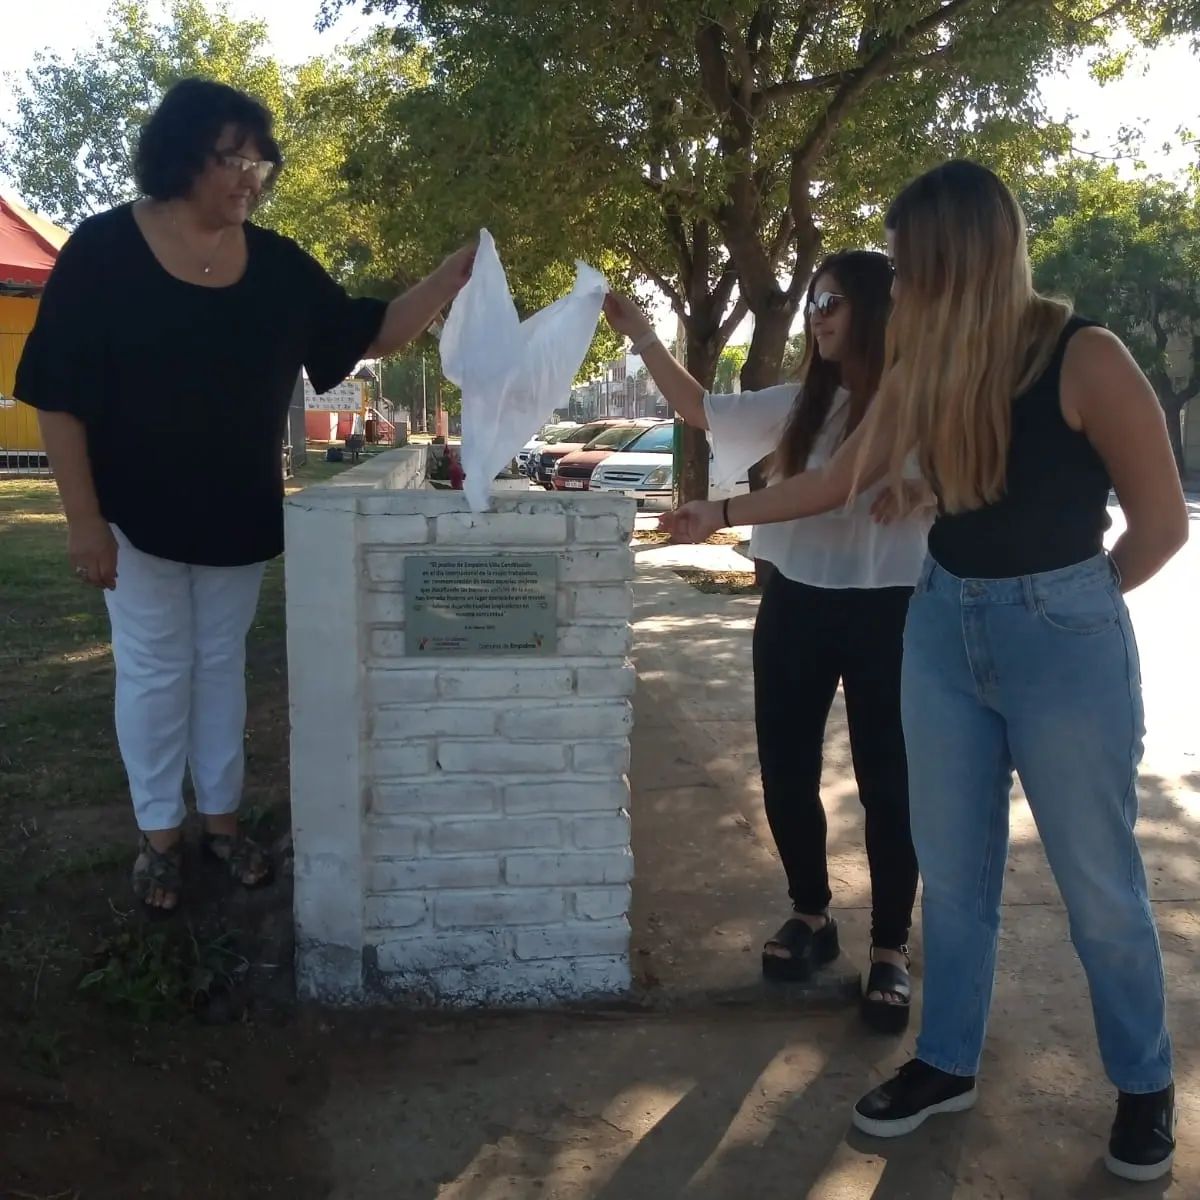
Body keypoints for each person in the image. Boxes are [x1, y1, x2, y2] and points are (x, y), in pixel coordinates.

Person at [661, 160, 1187, 1182]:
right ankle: (947, 1061)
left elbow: (1162, 525)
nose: (896, 287)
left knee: (1098, 885)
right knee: (954, 874)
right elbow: (836, 481)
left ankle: (1142, 1082)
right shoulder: (927, 370)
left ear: (959, 259)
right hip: (939, 627)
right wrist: (717, 513)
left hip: (1061, 636)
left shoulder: (1086, 358)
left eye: (907, 266)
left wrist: (1067, 612)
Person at [15, 78, 473, 913]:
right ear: (181, 154)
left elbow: (368, 331)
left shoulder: (278, 266)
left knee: (219, 667)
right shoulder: (103, 250)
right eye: (233, 160)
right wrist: (84, 521)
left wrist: (451, 275)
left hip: (237, 512)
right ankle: (160, 837)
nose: (249, 179)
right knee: (155, 671)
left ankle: (222, 826)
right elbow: (56, 395)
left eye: (260, 165)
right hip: (133, 514)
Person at [604, 250, 933, 1033]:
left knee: (890, 785)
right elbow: (698, 407)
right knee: (787, 772)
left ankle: (890, 946)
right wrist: (642, 332)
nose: (818, 317)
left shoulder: (924, 402)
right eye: (813, 302)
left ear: (876, 310)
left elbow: (979, 478)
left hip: (893, 609)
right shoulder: (799, 404)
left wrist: (928, 486)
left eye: (832, 302)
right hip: (796, 604)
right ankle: (811, 913)